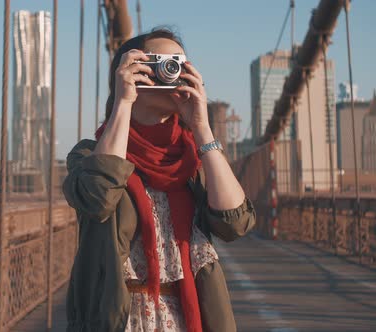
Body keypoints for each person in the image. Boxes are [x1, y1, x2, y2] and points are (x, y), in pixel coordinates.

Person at [62, 28, 256, 332]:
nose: (172, 71)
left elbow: (235, 222)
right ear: (130, 71)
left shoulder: (192, 162)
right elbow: (98, 197)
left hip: (187, 319)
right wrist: (124, 102)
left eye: (179, 63)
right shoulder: (89, 155)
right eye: (160, 62)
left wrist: (202, 127)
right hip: (119, 320)